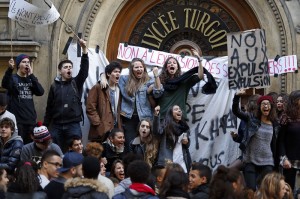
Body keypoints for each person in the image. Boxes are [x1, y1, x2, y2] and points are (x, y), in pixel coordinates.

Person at [101, 58, 163, 149]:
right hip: (128, 118)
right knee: (129, 145)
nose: (139, 69)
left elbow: (158, 92)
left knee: (144, 145)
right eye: (136, 67)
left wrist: (156, 75)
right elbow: (109, 74)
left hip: (144, 118)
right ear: (131, 70)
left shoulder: (148, 80)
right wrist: (102, 77)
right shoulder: (124, 80)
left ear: (144, 69)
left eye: (141, 67)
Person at [44, 39, 89, 152]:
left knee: (77, 150)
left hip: (73, 124)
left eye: (70, 67)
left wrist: (84, 50)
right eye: (65, 67)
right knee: (54, 151)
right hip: (57, 125)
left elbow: (84, 70)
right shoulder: (54, 86)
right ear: (60, 71)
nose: (69, 68)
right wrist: (45, 125)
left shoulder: (76, 83)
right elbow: (49, 107)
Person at [232, 89, 279, 190]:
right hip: (250, 159)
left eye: (268, 104)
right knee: (251, 189)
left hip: (267, 161)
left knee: (267, 189)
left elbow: (276, 144)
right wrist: (236, 97)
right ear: (259, 107)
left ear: (271, 107)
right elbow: (236, 111)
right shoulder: (251, 119)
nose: (265, 106)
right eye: (263, 104)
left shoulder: (275, 123)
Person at [1, 54, 44, 144]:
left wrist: (31, 76)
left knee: (29, 148)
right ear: (18, 65)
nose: (27, 64)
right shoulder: (13, 78)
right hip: (17, 121)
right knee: (18, 146)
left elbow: (40, 92)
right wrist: (9, 69)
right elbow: (4, 84)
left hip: (30, 121)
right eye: (24, 62)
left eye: (28, 62)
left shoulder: (31, 79)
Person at [156, 49, 206, 119]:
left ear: (177, 67)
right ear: (166, 68)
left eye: (174, 63)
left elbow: (200, 76)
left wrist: (199, 60)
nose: (172, 64)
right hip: (164, 118)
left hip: (179, 120)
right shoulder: (160, 81)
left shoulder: (184, 81)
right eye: (169, 63)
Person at [86, 61, 123, 142]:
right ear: (109, 74)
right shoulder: (99, 87)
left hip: (115, 129)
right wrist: (98, 124)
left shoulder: (119, 89)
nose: (118, 74)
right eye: (115, 72)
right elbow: (90, 107)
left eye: (119, 72)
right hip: (101, 131)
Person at [153, 105, 191, 173]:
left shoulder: (184, 127)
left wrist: (187, 142)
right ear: (170, 113)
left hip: (182, 162)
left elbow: (187, 145)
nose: (179, 110)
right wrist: (156, 115)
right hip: (168, 162)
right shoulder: (165, 126)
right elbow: (156, 132)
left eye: (180, 109)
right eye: (176, 109)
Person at [278, 90, 300, 190]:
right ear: (295, 100)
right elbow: (280, 140)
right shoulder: (286, 116)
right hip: (290, 160)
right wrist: (284, 158)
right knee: (288, 189)